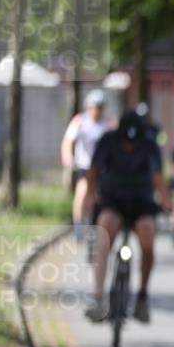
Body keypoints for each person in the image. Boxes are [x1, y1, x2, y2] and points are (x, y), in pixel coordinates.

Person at [84, 110, 172, 324]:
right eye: (126, 142)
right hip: (113, 201)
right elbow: (94, 170)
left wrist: (166, 200)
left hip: (142, 203)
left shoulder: (150, 145)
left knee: (148, 236)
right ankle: (98, 297)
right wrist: (89, 195)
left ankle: (142, 296)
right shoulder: (108, 141)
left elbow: (158, 177)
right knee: (104, 232)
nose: (130, 147)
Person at [61, 89, 113, 237]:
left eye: (100, 107)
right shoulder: (79, 121)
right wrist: (68, 157)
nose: (97, 110)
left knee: (103, 196)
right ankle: (78, 225)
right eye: (95, 107)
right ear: (88, 107)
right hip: (84, 166)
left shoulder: (108, 124)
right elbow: (67, 141)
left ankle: (99, 224)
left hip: (103, 168)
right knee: (82, 192)